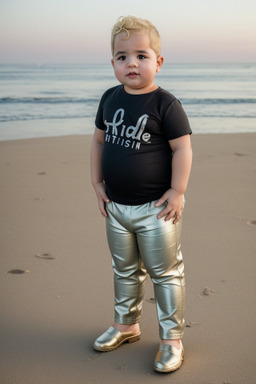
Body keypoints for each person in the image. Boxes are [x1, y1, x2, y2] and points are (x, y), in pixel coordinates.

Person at [90, 15, 192, 373]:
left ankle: (171, 339)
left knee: (165, 273)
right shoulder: (109, 98)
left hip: (157, 210)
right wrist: (97, 183)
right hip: (116, 207)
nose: (131, 63)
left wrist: (177, 192)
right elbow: (99, 141)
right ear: (113, 63)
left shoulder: (166, 104)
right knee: (124, 269)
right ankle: (126, 325)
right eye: (122, 56)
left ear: (158, 62)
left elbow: (183, 149)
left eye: (141, 55)